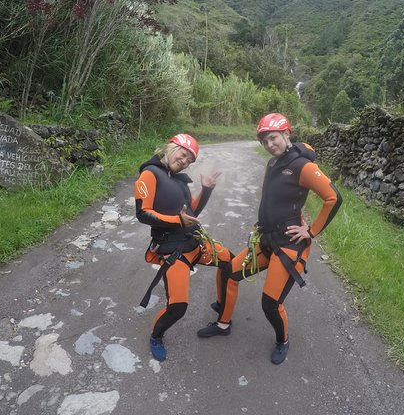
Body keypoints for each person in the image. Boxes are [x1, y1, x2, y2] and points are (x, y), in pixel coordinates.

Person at [197, 113, 342, 365]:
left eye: (273, 138)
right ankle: (223, 324)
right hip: (266, 238)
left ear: (287, 134)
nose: (269, 144)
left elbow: (333, 198)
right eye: (264, 141)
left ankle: (282, 340)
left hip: (288, 245)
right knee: (230, 273)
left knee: (270, 303)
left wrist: (311, 231)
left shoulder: (303, 166)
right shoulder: (272, 164)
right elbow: (269, 198)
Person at [134, 133, 232, 362]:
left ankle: (222, 306)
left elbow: (191, 214)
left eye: (190, 159)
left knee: (231, 263)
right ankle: (156, 336)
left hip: (194, 242)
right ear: (171, 147)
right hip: (173, 251)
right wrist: (177, 221)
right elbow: (143, 213)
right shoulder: (150, 174)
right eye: (183, 154)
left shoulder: (179, 180)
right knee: (178, 307)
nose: (185, 160)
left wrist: (206, 190)